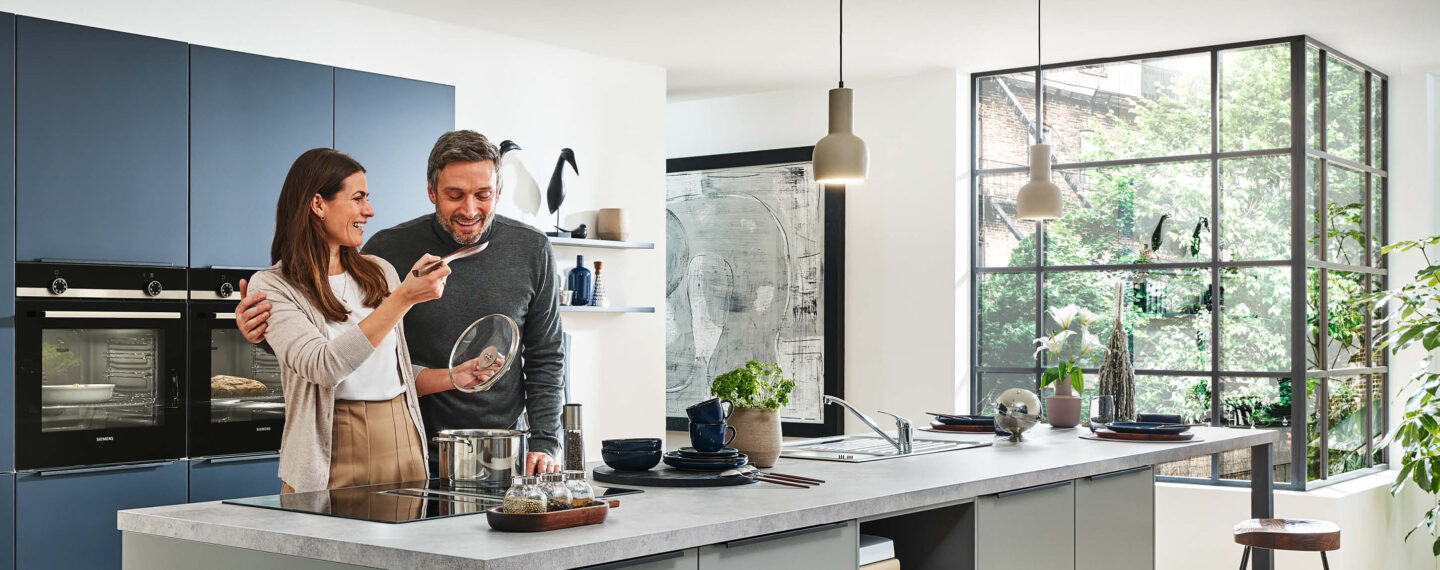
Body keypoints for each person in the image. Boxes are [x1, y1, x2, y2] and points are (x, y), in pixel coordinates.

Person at [238, 131, 566, 476]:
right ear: (431, 191)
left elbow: (546, 354)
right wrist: (270, 336)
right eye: (455, 195)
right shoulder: (387, 251)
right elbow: (334, 349)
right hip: (420, 441)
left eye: (483, 195)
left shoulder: (530, 249)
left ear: (498, 193)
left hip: (492, 448)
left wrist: (545, 440)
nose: (470, 209)